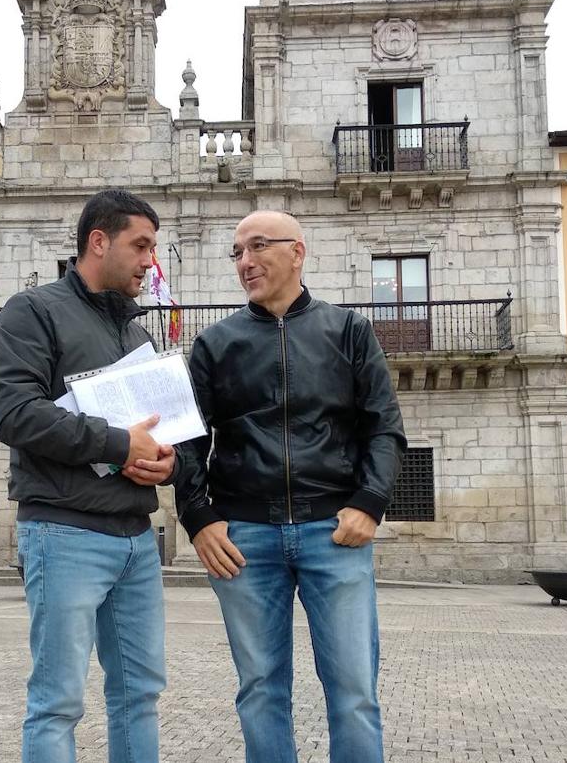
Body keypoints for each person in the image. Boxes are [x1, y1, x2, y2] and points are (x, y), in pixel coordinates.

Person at [175, 210, 406, 763]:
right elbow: (188, 443)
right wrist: (199, 518)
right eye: (236, 252)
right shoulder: (214, 344)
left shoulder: (349, 331)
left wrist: (369, 503)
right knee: (260, 690)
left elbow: (385, 427)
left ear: (297, 251)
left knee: (353, 691)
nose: (245, 262)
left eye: (257, 247)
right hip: (245, 540)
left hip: (336, 533)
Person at [0, 189, 177, 763]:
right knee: (58, 702)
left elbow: (160, 432)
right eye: (140, 246)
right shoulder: (32, 312)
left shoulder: (139, 335)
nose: (150, 261)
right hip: (63, 533)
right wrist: (121, 444)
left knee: (140, 695)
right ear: (99, 241)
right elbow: (15, 414)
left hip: (136, 541)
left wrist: (167, 461)